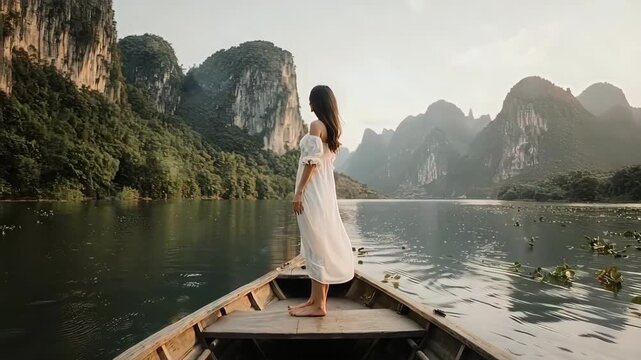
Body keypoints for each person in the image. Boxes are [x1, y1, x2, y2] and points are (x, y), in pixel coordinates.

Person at [288, 85, 355, 317]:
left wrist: (299, 192)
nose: (309, 105)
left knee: (315, 245)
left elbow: (311, 163)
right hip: (323, 194)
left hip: (312, 193)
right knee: (319, 243)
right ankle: (315, 300)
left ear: (319, 103)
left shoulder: (316, 126)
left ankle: (319, 306)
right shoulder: (331, 130)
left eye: (311, 101)